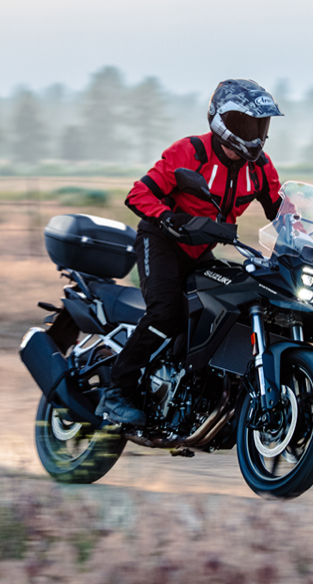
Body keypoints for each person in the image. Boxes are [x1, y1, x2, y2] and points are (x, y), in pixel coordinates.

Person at [96, 79, 285, 425]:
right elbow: (138, 194)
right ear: (221, 121)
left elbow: (282, 214)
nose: (253, 133)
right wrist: (170, 218)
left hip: (201, 251)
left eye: (260, 125)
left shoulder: (260, 168)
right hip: (162, 241)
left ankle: (195, 392)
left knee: (226, 310)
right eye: (245, 124)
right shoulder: (190, 152)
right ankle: (117, 392)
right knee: (166, 312)